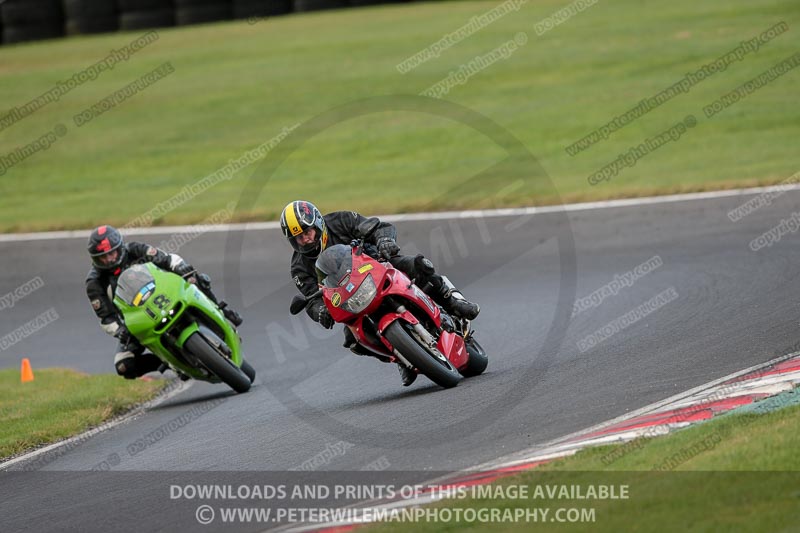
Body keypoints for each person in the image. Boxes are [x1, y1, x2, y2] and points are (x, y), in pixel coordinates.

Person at [280, 200, 479, 386]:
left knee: (417, 265)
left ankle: (453, 301)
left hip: (377, 265)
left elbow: (379, 226)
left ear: (318, 224)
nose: (305, 239)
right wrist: (320, 311)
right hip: (350, 297)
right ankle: (401, 356)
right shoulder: (299, 267)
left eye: (308, 232)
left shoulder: (340, 220)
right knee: (354, 341)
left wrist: (384, 240)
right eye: (298, 237)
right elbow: (310, 297)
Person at [85, 225, 243, 379]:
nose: (109, 259)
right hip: (138, 321)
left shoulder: (135, 250)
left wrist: (180, 267)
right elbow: (106, 318)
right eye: (103, 257)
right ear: (95, 259)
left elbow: (166, 259)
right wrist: (120, 331)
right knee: (123, 365)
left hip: (167, 296)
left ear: (120, 247)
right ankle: (166, 360)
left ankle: (222, 312)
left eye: (112, 254)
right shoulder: (95, 282)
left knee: (195, 279)